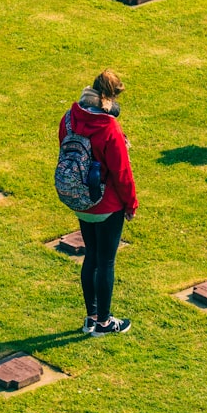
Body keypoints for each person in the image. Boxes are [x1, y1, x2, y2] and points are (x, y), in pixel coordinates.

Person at [58, 70, 138, 336]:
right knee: (106, 261)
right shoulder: (110, 127)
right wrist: (131, 204)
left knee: (91, 256)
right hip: (107, 205)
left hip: (79, 199)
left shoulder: (69, 118)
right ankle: (104, 323)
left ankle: (90, 317)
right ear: (112, 96)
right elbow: (122, 173)